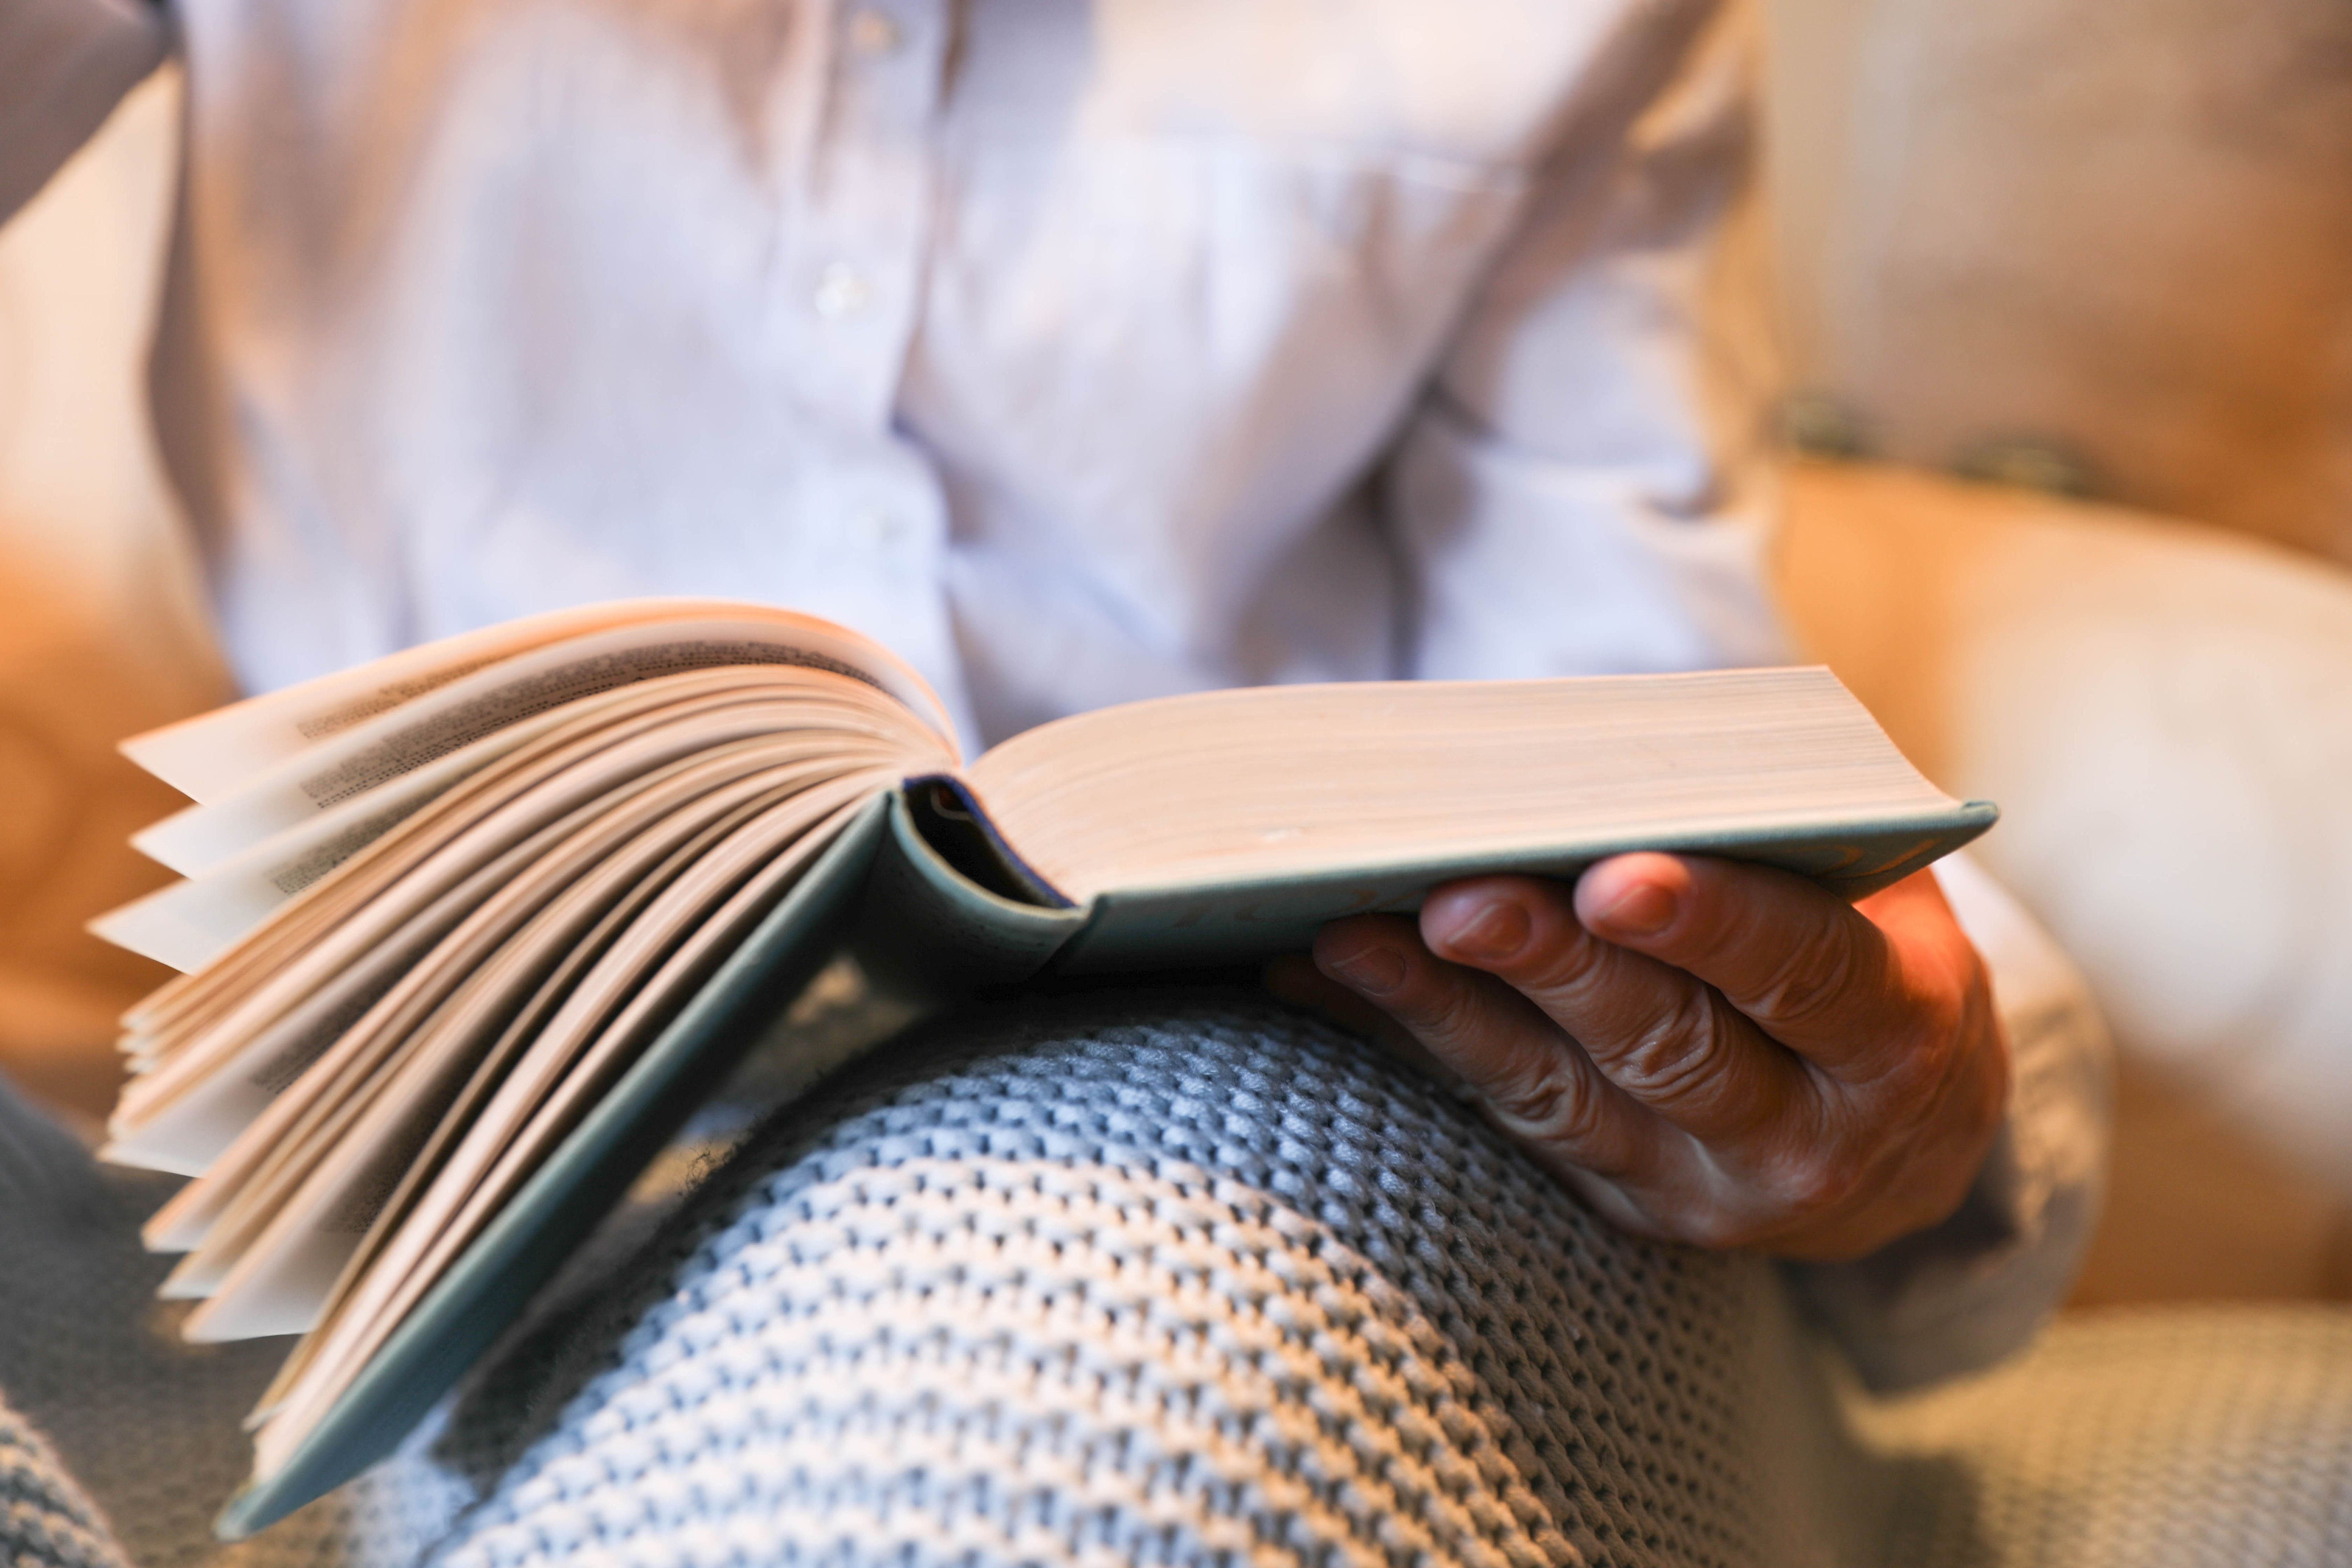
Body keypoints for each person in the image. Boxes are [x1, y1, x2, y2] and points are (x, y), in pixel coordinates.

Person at [0, 1, 2111, 1563]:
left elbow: (1640, 750)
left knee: (1042, 1376)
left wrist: (1859, 1070)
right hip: (424, 1157)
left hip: (1250, 1119)